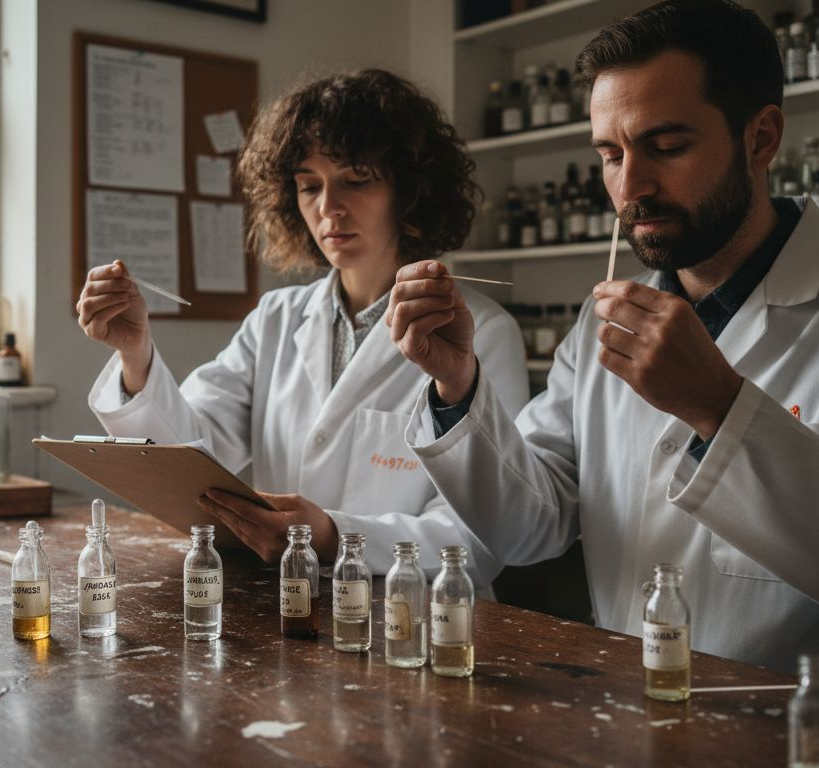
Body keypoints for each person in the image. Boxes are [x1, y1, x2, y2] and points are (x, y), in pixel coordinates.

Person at [386, 0, 819, 694]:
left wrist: (723, 409)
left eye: (667, 146)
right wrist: (455, 388)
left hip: (808, 736)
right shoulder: (601, 326)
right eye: (611, 155)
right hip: (624, 721)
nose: (631, 188)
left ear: (761, 137)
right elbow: (528, 529)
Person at [77, 69, 529, 584]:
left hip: (417, 616)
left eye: (356, 180)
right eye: (308, 185)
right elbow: (192, 456)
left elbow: (485, 535)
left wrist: (336, 535)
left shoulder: (485, 333)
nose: (328, 208)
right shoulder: (276, 318)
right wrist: (136, 355)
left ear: (410, 189)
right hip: (289, 608)